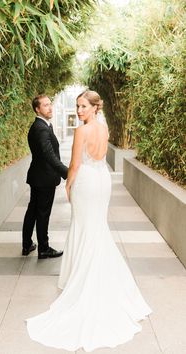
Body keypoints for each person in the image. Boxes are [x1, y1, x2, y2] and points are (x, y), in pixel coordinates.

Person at [26, 90, 152, 351]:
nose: (79, 111)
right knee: (95, 228)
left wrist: (69, 186)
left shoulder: (82, 132)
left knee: (84, 228)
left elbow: (74, 166)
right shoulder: (104, 128)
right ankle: (98, 275)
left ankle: (81, 277)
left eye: (84, 106)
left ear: (95, 107)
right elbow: (100, 158)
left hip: (85, 181)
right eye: (77, 106)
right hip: (101, 180)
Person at [22, 94, 68, 259]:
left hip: (38, 176)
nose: (50, 107)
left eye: (50, 104)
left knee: (33, 210)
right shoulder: (41, 128)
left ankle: (27, 245)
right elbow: (49, 154)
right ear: (37, 109)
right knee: (42, 213)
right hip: (44, 178)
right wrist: (66, 172)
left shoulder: (41, 126)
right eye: (46, 105)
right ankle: (44, 248)